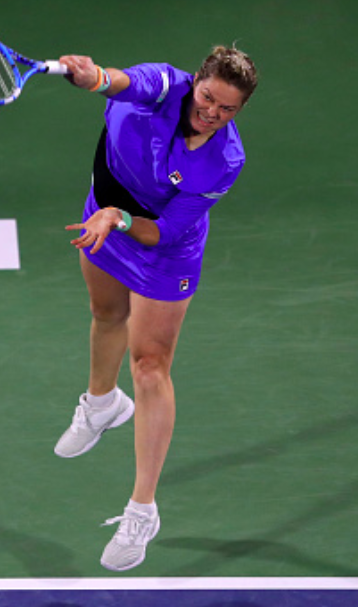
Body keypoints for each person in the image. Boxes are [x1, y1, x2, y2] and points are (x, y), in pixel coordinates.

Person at [52, 47, 258, 571]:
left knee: (149, 365)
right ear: (196, 82)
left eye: (228, 109)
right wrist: (92, 77)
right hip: (103, 212)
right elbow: (116, 81)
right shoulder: (164, 85)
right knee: (105, 313)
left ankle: (142, 510)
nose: (212, 112)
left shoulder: (224, 160)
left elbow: (163, 232)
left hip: (162, 250)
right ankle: (102, 405)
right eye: (208, 97)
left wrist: (117, 218)